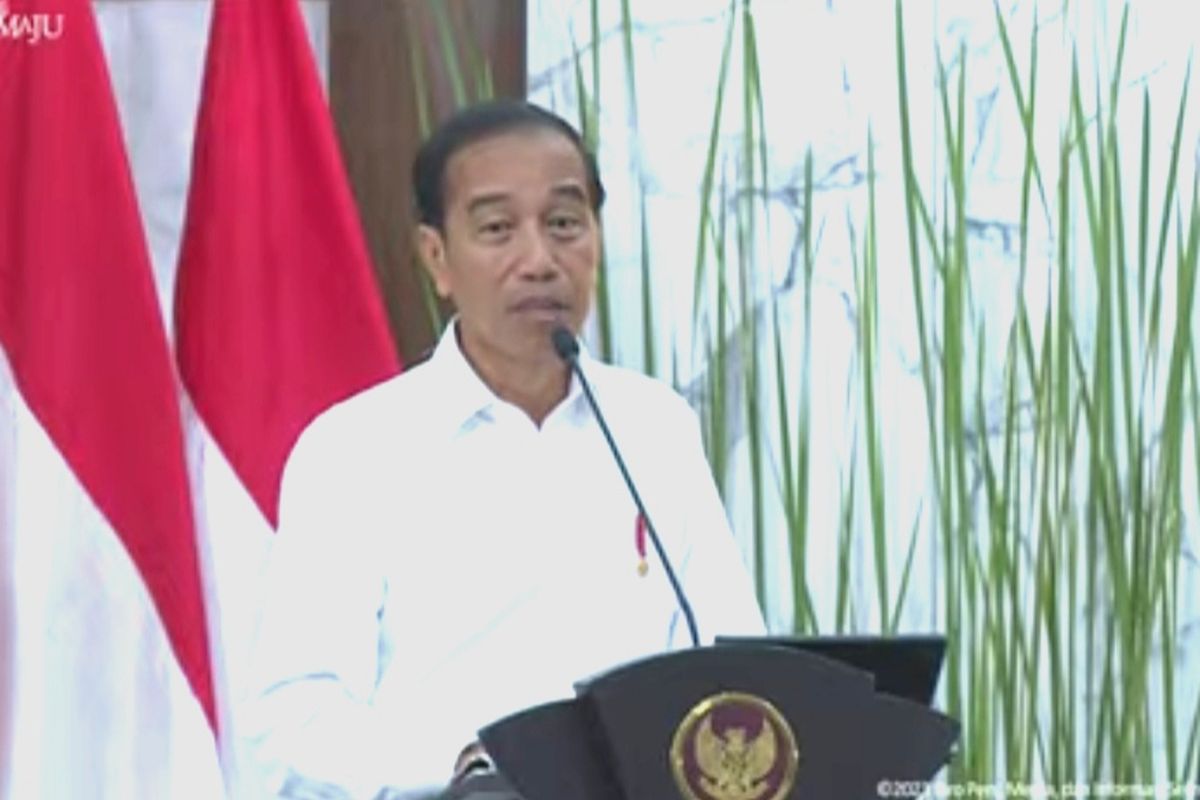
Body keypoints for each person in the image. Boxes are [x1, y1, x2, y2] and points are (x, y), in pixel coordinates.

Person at [242, 100, 765, 800]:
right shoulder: (354, 450)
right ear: (438, 258)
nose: (539, 261)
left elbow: (732, 664)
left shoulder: (653, 427)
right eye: (497, 229)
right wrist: (471, 765)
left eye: (564, 224)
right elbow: (294, 723)